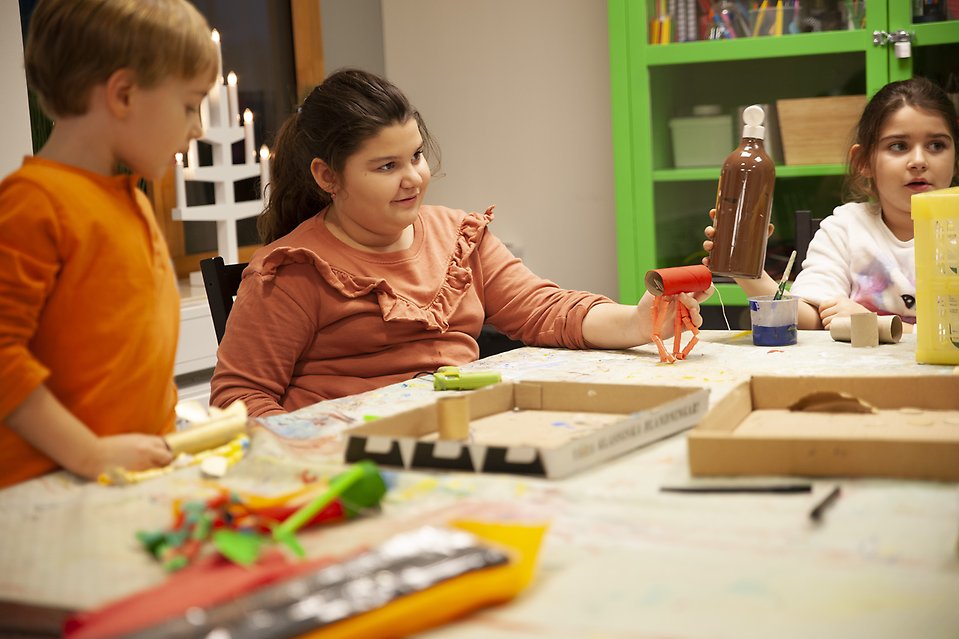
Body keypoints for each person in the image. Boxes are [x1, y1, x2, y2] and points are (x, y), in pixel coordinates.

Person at [210, 68, 713, 417]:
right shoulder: (292, 270)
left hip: (457, 435)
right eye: (386, 166)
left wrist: (638, 320)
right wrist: (308, 456)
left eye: (416, 156)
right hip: (351, 461)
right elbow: (238, 397)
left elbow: (543, 309)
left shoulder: (458, 236)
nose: (413, 178)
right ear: (328, 176)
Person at [0, 0, 218, 488]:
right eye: (189, 104)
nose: (199, 127)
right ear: (123, 94)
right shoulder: (33, 203)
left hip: (127, 478)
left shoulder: (133, 202)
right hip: (52, 488)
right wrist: (89, 452)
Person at [703, 77, 959, 331]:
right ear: (863, 161)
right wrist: (747, 269)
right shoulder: (845, 228)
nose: (918, 161)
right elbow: (809, 320)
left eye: (936, 145)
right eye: (898, 146)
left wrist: (874, 324)